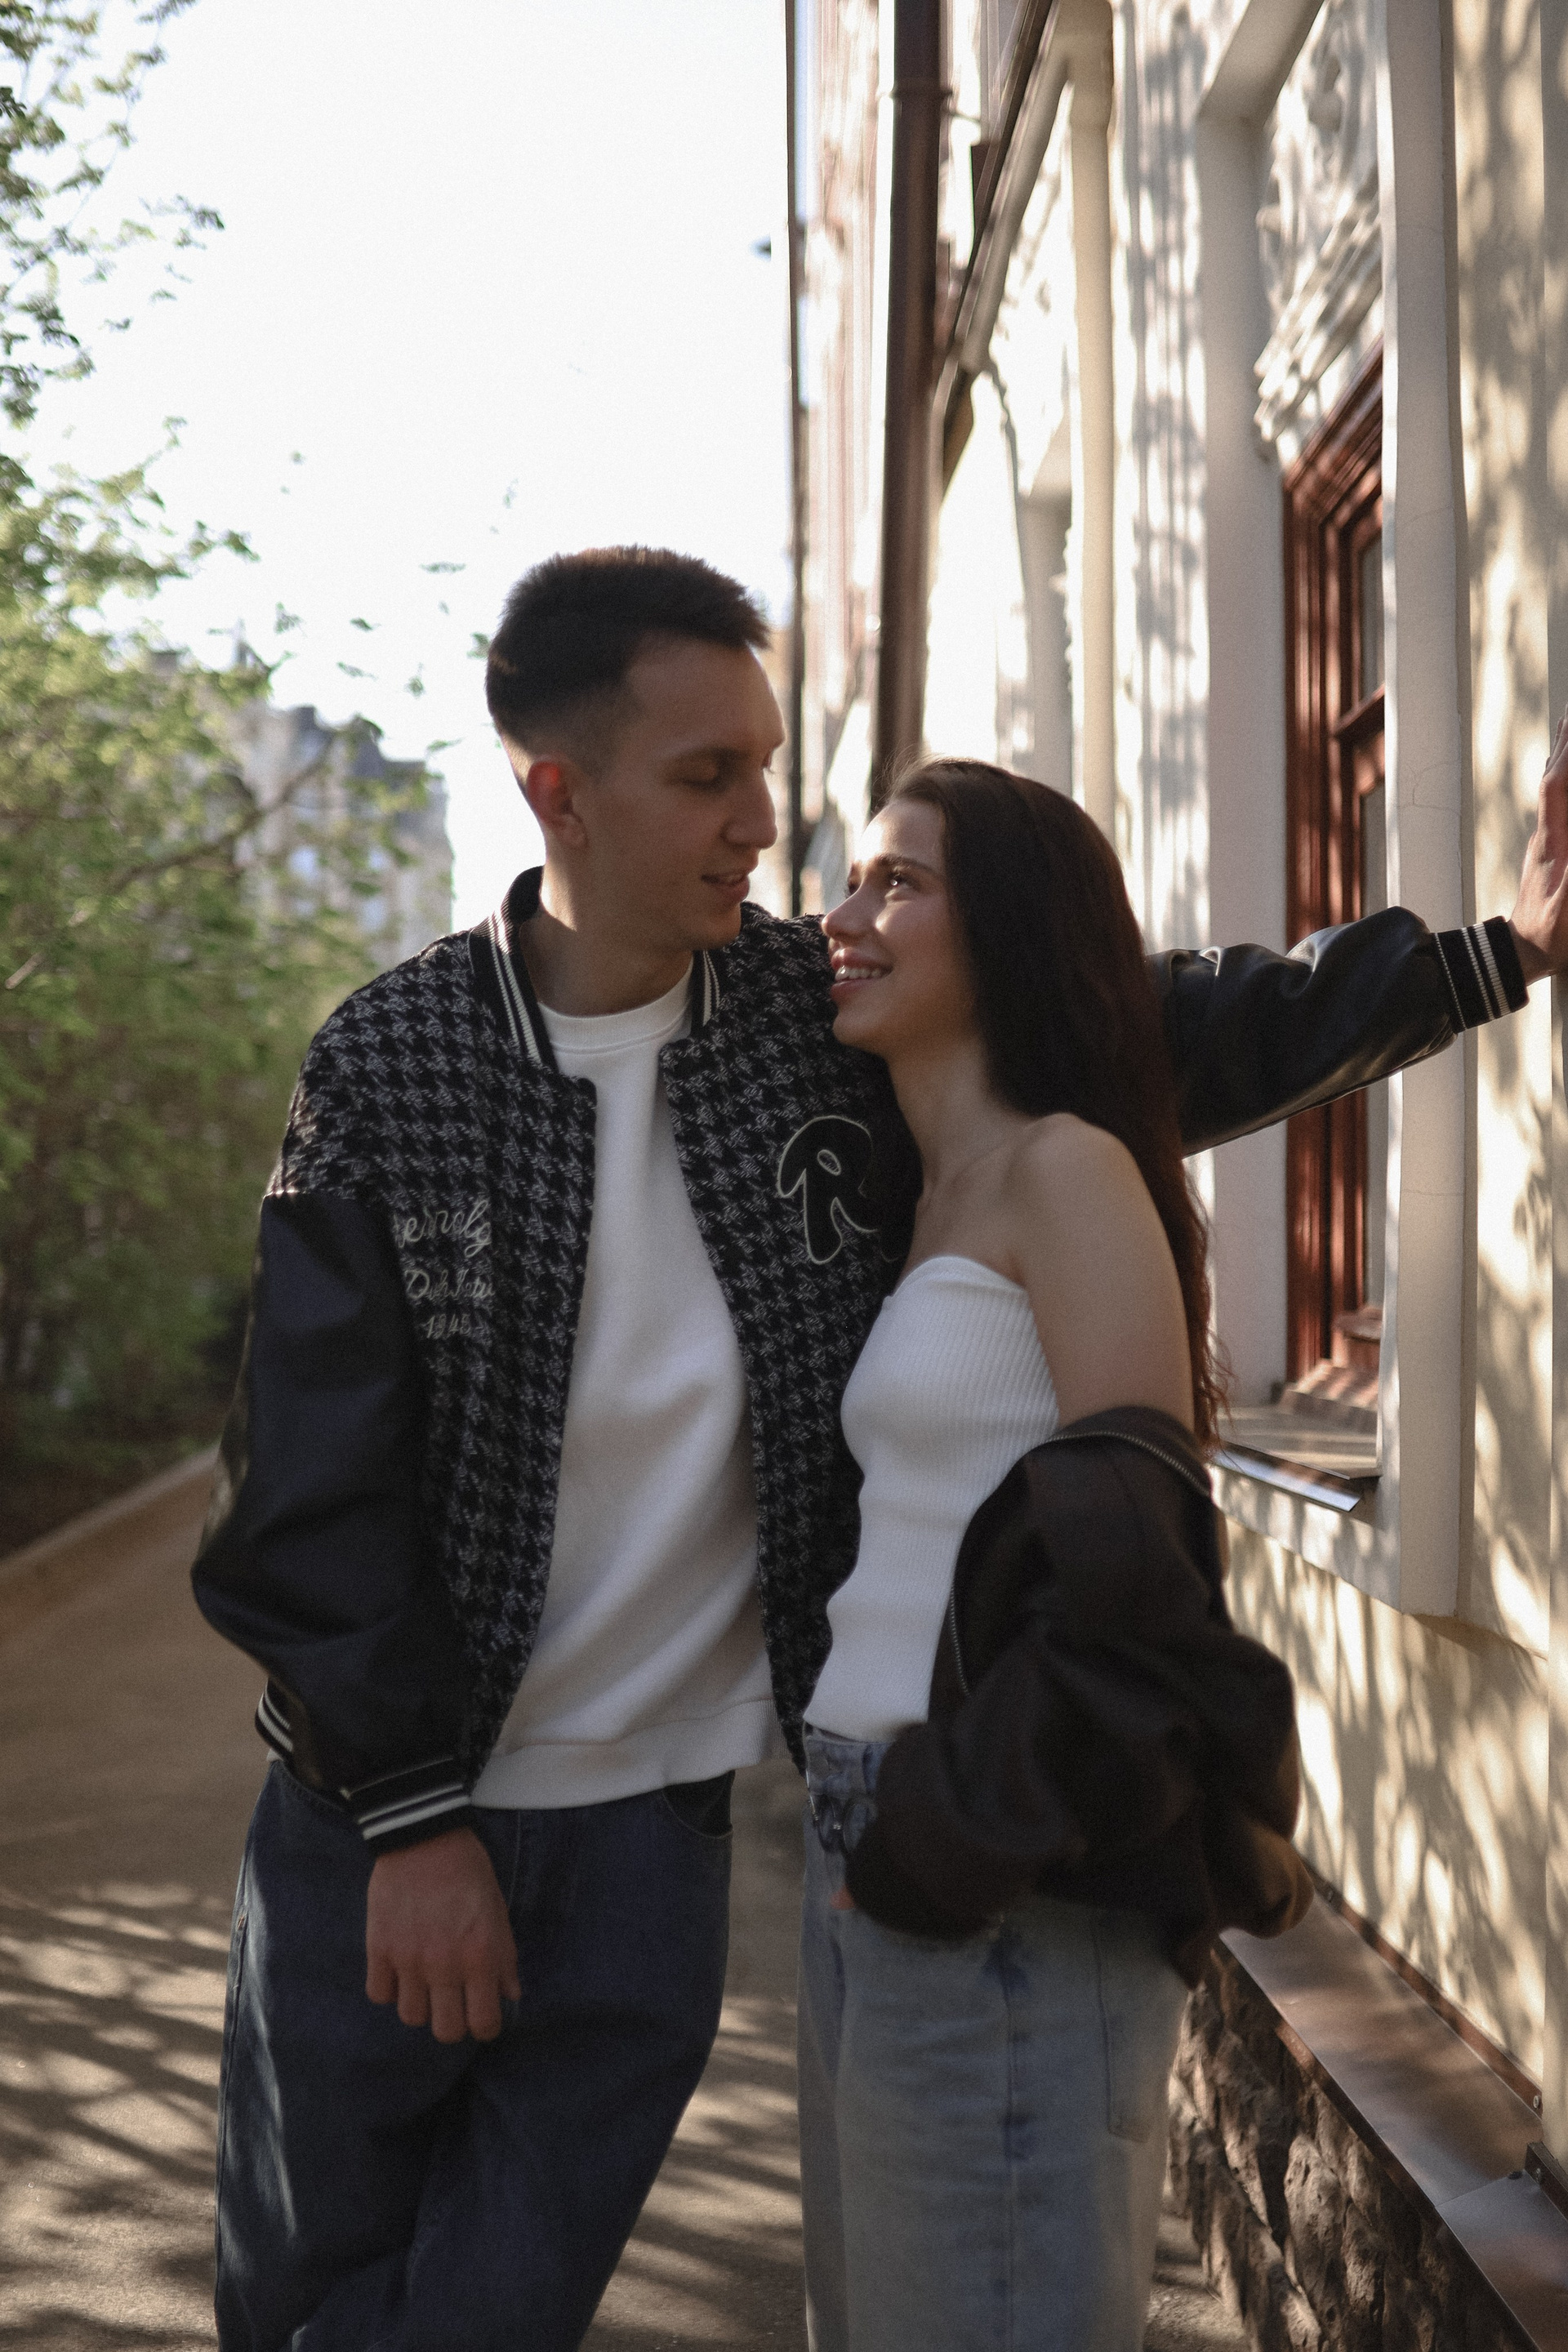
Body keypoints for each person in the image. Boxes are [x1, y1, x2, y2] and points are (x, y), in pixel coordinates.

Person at [190, 545, 1568, 2352]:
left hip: (653, 1841)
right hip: (377, 1833)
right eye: (709, 777)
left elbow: (1143, 1021)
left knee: (496, 2308)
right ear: (560, 793)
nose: (764, 824)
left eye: (767, 768)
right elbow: (304, 1491)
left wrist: (1489, 957)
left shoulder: (808, 1023)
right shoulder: (389, 1066)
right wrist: (410, 1817)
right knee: (309, 2300)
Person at [796, 761, 1311, 2352]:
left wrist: (946, 1837)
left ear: (1012, 932)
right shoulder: (928, 1194)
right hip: (868, 1827)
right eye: (851, 878)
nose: (843, 916)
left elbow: (1138, 1579)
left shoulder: (1065, 1169)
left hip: (993, 1858)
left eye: (899, 882)